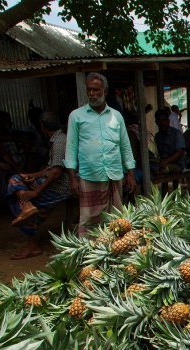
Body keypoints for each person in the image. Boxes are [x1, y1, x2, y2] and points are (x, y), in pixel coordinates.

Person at [64, 72, 136, 236]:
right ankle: (88, 256)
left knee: (116, 219)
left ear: (105, 91)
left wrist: (130, 174)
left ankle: (114, 254)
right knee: (89, 220)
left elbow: (125, 146)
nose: (92, 94)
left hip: (114, 174)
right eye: (89, 90)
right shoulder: (76, 116)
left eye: (96, 90)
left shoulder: (116, 116)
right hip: (90, 175)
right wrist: (72, 178)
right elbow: (71, 148)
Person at [6, 112, 70, 259]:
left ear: (42, 126)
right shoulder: (59, 138)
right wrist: (34, 175)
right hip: (59, 183)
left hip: (60, 187)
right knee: (21, 182)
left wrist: (37, 192)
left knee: (15, 186)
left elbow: (56, 172)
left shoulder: (59, 142)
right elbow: (52, 168)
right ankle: (28, 207)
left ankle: (27, 206)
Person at [155, 108, 187, 173]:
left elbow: (180, 152)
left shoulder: (176, 134)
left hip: (178, 164)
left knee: (161, 170)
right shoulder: (158, 136)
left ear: (168, 121)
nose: (162, 123)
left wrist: (166, 161)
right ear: (156, 122)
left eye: (164, 120)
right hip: (163, 163)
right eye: (159, 121)